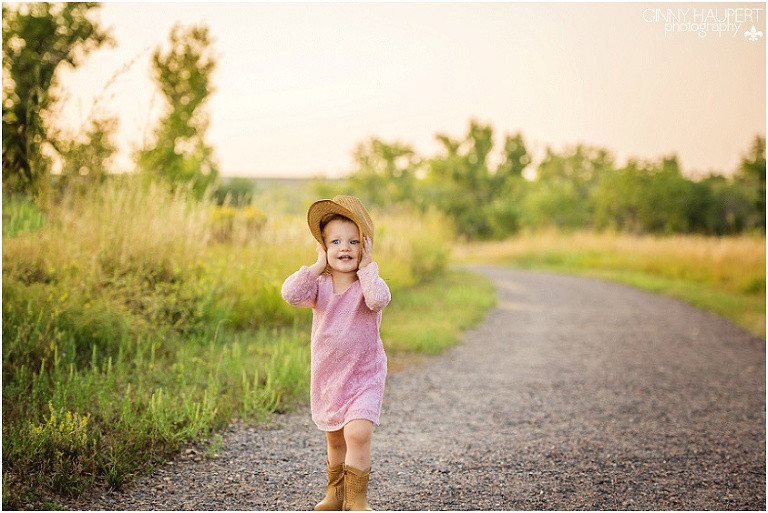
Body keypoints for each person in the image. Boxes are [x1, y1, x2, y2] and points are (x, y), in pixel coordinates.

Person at [281, 195, 391, 511]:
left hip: (364, 374)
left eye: (354, 241)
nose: (345, 247)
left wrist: (368, 268)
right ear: (325, 247)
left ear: (365, 246)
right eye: (336, 242)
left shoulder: (368, 284)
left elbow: (379, 300)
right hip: (330, 376)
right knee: (335, 438)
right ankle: (336, 494)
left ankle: (357, 499)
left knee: (357, 432)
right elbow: (290, 294)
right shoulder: (320, 285)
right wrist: (316, 266)